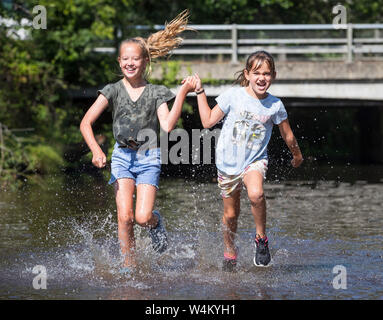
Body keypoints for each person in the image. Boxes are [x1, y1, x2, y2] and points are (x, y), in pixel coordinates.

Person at [80, 10, 195, 273]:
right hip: (121, 156)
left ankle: (157, 225)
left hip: (148, 156)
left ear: (145, 62)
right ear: (119, 62)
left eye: (136, 59)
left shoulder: (156, 92)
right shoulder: (112, 90)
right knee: (125, 217)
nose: (130, 63)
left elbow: (166, 126)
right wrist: (97, 151)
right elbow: (86, 123)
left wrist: (182, 93)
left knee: (142, 217)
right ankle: (129, 267)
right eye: (125, 59)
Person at [191, 50, 303, 271]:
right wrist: (200, 91)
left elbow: (287, 134)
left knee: (256, 193)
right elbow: (207, 121)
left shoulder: (275, 105)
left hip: (255, 161)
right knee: (231, 215)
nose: (262, 78)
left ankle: (261, 239)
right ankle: (229, 251)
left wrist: (297, 154)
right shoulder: (233, 95)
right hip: (228, 163)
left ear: (274, 76)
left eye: (267, 73)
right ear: (247, 74)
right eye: (257, 73)